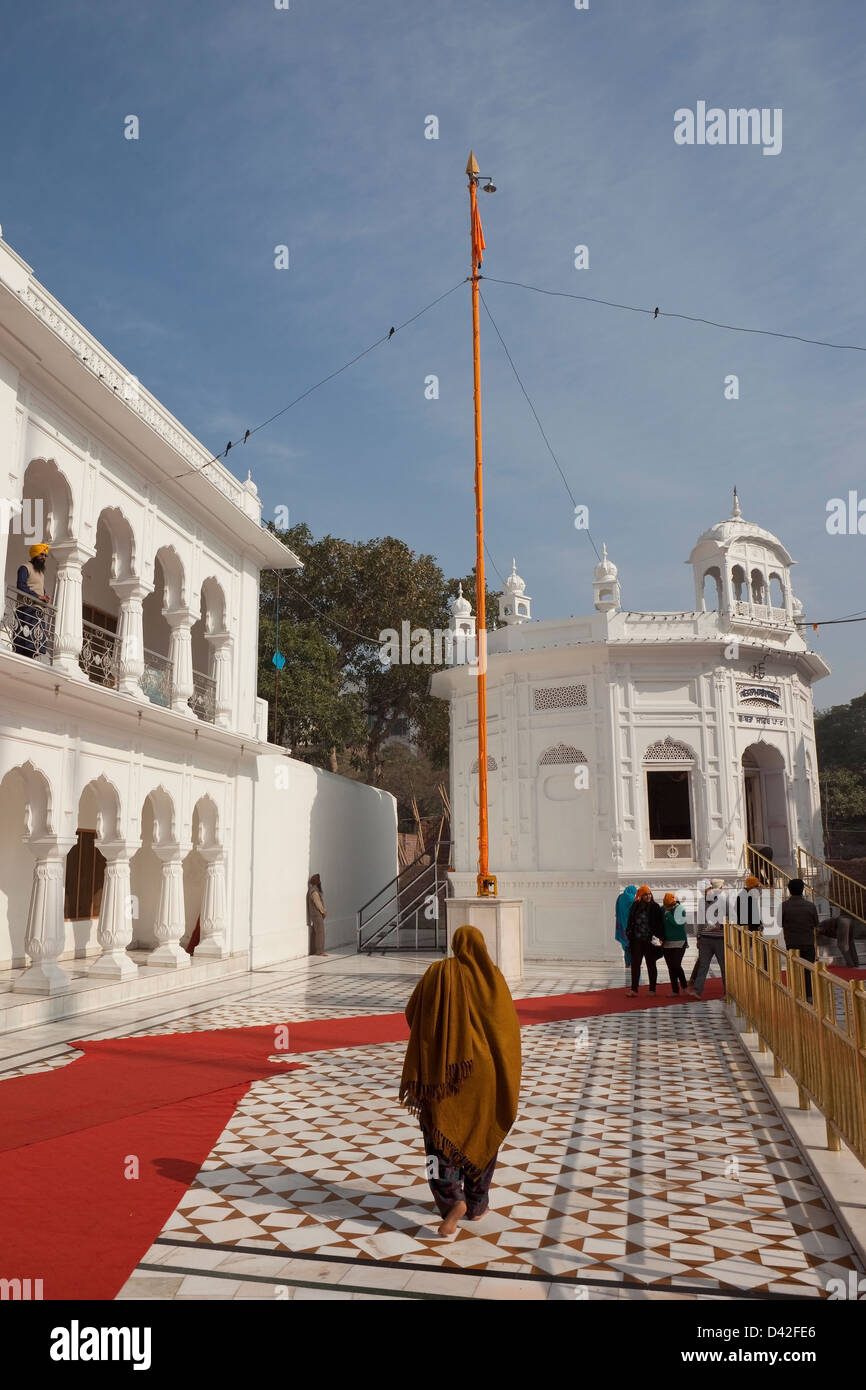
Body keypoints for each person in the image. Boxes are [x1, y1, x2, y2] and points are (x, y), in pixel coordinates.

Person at [399, 925, 521, 1237]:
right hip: (486, 1078)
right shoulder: (493, 978)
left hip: (446, 1075)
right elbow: (507, 1030)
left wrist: (440, 1042)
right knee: (482, 1135)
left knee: (438, 1137)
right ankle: (478, 1205)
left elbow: (412, 1012)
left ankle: (452, 1199)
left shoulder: (440, 972)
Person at [781, 878, 819, 1003]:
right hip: (808, 942)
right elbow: (815, 924)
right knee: (808, 970)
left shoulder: (784, 906)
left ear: (789, 890)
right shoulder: (811, 906)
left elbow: (779, 923)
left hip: (792, 942)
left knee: (794, 968)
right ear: (803, 890)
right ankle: (809, 995)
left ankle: (795, 993)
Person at [688, 878, 727, 999]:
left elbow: (732, 916)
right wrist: (699, 937)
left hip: (715, 938)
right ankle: (698, 991)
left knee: (721, 966)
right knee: (705, 966)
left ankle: (727, 992)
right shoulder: (704, 901)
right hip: (710, 938)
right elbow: (700, 921)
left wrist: (720, 925)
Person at [625, 885, 664, 997]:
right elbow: (630, 920)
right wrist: (628, 932)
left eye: (649, 894)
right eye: (645, 895)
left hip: (649, 941)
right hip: (636, 940)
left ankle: (652, 989)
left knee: (651, 964)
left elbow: (659, 924)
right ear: (641, 896)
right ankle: (634, 989)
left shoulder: (655, 907)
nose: (648, 896)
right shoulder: (635, 906)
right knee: (636, 964)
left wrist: (660, 938)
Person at [14, 543, 52, 657]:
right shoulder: (25, 567)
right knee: (24, 643)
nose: (44, 557)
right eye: (42, 554)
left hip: (37, 611)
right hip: (26, 608)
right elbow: (21, 586)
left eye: (45, 556)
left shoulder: (41, 573)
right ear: (35, 554)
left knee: (36, 644)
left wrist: (45, 597)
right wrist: (38, 596)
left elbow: (40, 589)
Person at [661, 892, 687, 995]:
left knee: (676, 965)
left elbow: (679, 924)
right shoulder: (663, 908)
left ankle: (684, 986)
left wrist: (668, 914)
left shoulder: (680, 909)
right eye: (666, 906)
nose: (668, 907)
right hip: (667, 942)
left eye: (670, 906)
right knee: (670, 967)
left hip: (679, 942)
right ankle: (675, 990)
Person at [615, 885, 636, 974]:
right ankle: (632, 964)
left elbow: (616, 909)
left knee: (626, 946)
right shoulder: (632, 899)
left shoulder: (620, 897)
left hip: (621, 924)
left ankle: (627, 964)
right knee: (633, 946)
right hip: (630, 926)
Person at [306, 873, 327, 956]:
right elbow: (318, 903)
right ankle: (319, 951)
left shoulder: (311, 890)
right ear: (317, 882)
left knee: (315, 933)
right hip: (317, 914)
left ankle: (314, 950)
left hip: (314, 914)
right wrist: (323, 912)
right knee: (320, 932)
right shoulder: (314, 891)